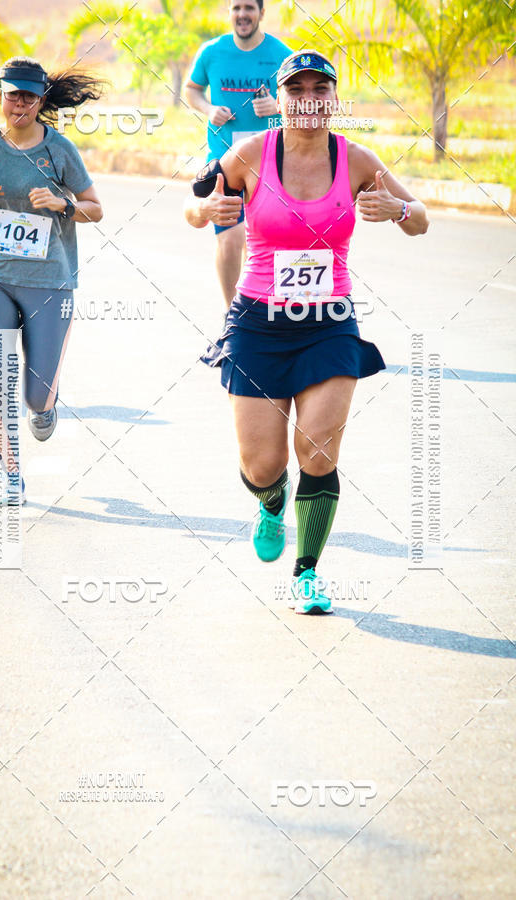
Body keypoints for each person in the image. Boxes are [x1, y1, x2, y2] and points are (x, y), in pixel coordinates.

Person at [185, 50, 429, 613]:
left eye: (321, 90)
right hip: (259, 322)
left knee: (317, 451)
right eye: (298, 91)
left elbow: (420, 218)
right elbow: (193, 205)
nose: (310, 100)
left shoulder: (355, 158)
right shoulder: (252, 153)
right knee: (263, 465)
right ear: (281, 99)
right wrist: (207, 212)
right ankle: (271, 504)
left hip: (329, 323)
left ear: (334, 99)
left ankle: (307, 573)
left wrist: (396, 207)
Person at [0, 57, 103, 506]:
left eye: (29, 96)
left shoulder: (60, 150)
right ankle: (9, 474)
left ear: (41, 99)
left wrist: (63, 204)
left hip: (51, 281)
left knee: (35, 396)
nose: (20, 104)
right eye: (13, 95)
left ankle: (45, 407)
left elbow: (95, 208)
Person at [184, 0, 289, 308]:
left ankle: (267, 314)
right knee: (231, 239)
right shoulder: (212, 52)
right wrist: (209, 109)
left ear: (261, 13)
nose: (243, 14)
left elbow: (299, 99)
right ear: (229, 13)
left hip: (270, 162)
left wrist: (277, 107)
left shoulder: (282, 55)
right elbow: (192, 90)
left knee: (261, 244)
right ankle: (233, 317)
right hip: (224, 163)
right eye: (237, 8)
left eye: (249, 8)